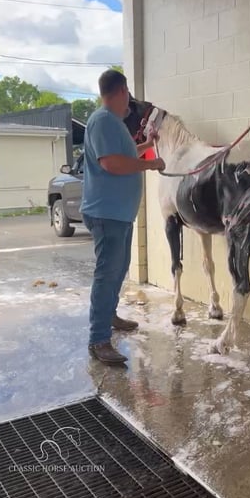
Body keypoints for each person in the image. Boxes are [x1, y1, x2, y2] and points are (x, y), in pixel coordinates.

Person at [80, 69, 165, 364]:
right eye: (127, 93)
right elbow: (112, 164)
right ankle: (98, 339)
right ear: (121, 91)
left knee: (118, 269)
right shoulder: (103, 121)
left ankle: (109, 316)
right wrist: (150, 166)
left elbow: (126, 154)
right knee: (107, 274)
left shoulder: (112, 123)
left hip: (118, 213)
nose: (129, 99)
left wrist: (148, 146)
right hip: (107, 213)